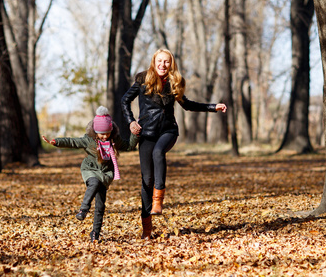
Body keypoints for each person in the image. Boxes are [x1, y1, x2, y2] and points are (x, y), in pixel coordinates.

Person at [121, 48, 227, 240]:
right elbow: (124, 100)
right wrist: (130, 121)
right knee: (146, 181)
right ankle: (147, 229)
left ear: (171, 64)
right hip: (146, 133)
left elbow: (187, 105)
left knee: (158, 152)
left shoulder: (174, 82)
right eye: (159, 61)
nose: (163, 65)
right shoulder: (142, 80)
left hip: (168, 131)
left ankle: (158, 201)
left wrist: (213, 107)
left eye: (166, 62)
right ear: (154, 62)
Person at [42, 106, 138, 242]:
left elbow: (129, 146)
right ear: (95, 132)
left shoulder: (114, 140)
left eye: (107, 133)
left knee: (100, 205)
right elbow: (73, 142)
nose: (105, 136)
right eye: (101, 134)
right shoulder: (89, 140)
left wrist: (135, 134)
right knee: (94, 183)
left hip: (105, 173)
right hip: (90, 169)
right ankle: (83, 210)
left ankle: (95, 233)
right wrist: (56, 142)